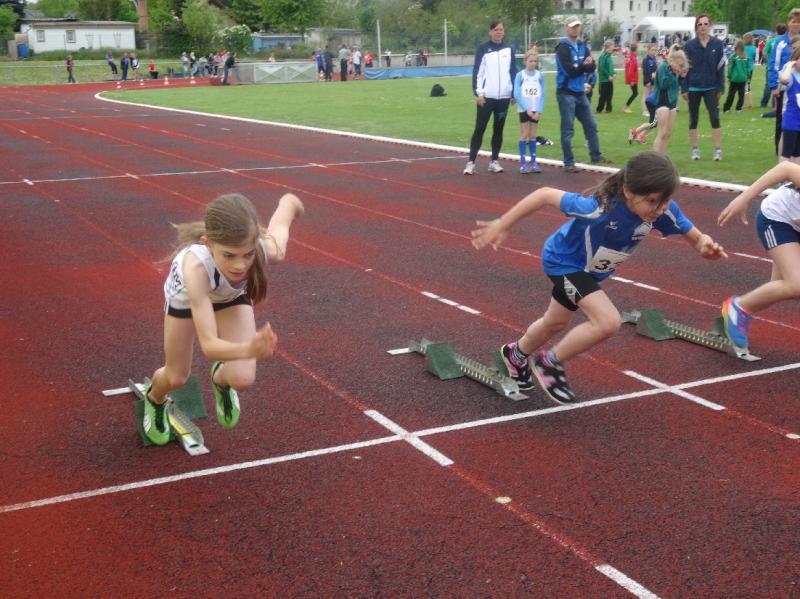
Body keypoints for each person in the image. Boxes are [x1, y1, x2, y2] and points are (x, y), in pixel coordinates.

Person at [471, 152, 726, 403]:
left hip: (588, 272)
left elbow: (696, 237)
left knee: (554, 322)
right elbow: (545, 194)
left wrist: (704, 245)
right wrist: (503, 224)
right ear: (628, 192)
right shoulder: (599, 208)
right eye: (652, 201)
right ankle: (549, 363)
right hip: (563, 262)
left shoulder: (663, 210)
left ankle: (515, 354)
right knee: (608, 321)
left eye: (666, 200)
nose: (660, 209)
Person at [141, 193, 304, 445]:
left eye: (248, 255)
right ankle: (155, 399)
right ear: (208, 244)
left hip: (229, 296)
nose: (240, 266)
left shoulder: (265, 250)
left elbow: (280, 227)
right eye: (229, 255)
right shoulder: (195, 269)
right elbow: (209, 345)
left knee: (242, 378)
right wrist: (248, 349)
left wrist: (290, 203)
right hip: (186, 299)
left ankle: (221, 379)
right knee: (176, 377)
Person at [717, 161, 800, 352]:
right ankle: (738, 308)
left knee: (780, 285)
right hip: (778, 219)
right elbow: (785, 168)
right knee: (796, 285)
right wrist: (744, 198)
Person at [554, 15, 611, 173]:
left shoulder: (582, 46)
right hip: (566, 93)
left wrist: (583, 66)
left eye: (577, 26)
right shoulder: (562, 48)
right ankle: (569, 162)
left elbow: (592, 66)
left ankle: (596, 156)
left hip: (579, 92)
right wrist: (584, 66)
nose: (576, 29)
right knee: (568, 129)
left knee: (591, 125)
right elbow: (570, 71)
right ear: (566, 28)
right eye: (573, 26)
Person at [463, 18, 516, 175]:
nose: (499, 32)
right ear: (490, 31)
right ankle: (471, 163)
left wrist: (513, 93)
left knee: (498, 130)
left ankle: (494, 161)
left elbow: (513, 71)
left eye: (501, 30)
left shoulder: (509, 49)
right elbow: (478, 72)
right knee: (480, 128)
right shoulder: (483, 49)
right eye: (496, 29)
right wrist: (479, 93)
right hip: (487, 97)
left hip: (504, 97)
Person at [681, 14, 726, 161]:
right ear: (696, 27)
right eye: (700, 24)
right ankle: (695, 149)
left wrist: (721, 87)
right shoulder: (689, 46)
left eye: (705, 24)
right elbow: (684, 68)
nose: (703, 27)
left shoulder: (717, 44)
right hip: (693, 87)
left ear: (710, 25)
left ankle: (717, 150)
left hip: (711, 87)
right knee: (693, 119)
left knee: (715, 117)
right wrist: (684, 88)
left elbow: (720, 67)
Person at [767, 10, 800, 155]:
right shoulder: (780, 42)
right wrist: (774, 86)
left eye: (799, 22)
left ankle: (795, 153)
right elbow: (773, 64)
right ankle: (780, 153)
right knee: (782, 120)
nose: (796, 24)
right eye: (794, 21)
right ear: (788, 22)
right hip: (783, 86)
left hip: (798, 86)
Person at [513, 48, 545, 174]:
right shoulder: (520, 75)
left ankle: (533, 162)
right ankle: (522, 163)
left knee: (533, 135)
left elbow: (543, 94)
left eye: (535, 61)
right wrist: (527, 109)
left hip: (535, 109)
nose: (533, 63)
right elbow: (517, 94)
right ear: (525, 61)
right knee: (524, 134)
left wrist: (538, 110)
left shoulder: (539, 76)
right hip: (524, 109)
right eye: (530, 61)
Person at [778, 48, 800, 163]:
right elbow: (784, 79)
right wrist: (789, 65)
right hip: (791, 119)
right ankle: (783, 173)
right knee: (787, 152)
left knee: (797, 153)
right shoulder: (791, 76)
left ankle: (795, 174)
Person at [723, 40, 749, 113]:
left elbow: (730, 68)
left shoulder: (733, 56)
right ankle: (738, 108)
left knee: (731, 94)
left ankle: (727, 108)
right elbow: (747, 68)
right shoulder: (745, 56)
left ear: (735, 47)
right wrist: (747, 76)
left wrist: (729, 76)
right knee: (741, 94)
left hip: (735, 78)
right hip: (743, 78)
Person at [596, 39, 616, 113]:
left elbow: (610, 67)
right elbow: (602, 67)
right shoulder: (603, 56)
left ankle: (608, 109)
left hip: (610, 79)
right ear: (609, 46)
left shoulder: (609, 56)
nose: (613, 47)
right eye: (613, 45)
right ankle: (599, 109)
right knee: (603, 95)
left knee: (610, 95)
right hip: (604, 79)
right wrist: (608, 76)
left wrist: (614, 73)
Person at [641, 44, 658, 116]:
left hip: (654, 80)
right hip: (648, 80)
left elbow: (655, 69)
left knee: (652, 94)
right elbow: (645, 72)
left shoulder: (654, 59)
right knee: (646, 95)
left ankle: (650, 110)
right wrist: (648, 80)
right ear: (648, 51)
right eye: (652, 50)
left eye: (655, 50)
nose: (654, 51)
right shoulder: (646, 60)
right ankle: (644, 111)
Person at [742, 33, 757, 108]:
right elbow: (754, 58)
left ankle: (743, 103)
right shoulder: (754, 48)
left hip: (742, 68)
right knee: (748, 85)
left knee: (742, 86)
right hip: (750, 69)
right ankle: (750, 102)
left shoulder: (742, 48)